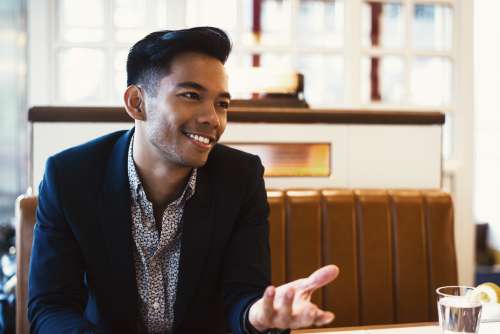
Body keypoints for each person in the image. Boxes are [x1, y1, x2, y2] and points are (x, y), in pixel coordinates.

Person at [28, 27, 339, 334]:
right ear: (137, 103)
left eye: (222, 104)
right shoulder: (70, 177)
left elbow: (242, 294)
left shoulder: (241, 177)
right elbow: (52, 307)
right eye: (191, 95)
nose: (213, 119)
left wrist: (257, 316)